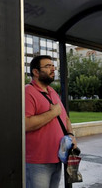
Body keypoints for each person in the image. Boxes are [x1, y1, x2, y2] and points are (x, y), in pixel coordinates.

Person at [25, 55, 77, 188]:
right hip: (38, 162)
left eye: (53, 66)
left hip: (57, 158)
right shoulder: (27, 92)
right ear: (35, 72)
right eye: (48, 66)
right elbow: (26, 124)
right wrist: (53, 113)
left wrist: (71, 135)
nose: (53, 69)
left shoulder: (52, 91)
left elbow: (65, 117)